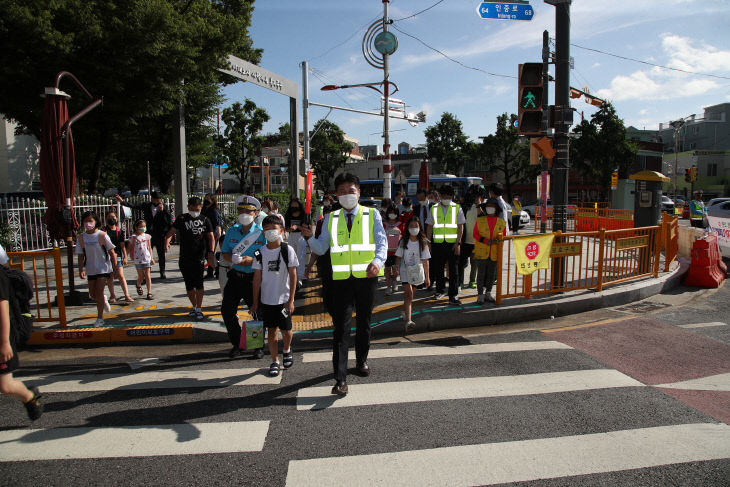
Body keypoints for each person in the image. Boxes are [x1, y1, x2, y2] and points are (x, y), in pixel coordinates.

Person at [302, 173, 387, 396]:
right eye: (342, 191)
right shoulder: (331, 218)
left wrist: (378, 262)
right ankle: (340, 379)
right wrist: (310, 237)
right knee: (341, 329)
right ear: (336, 195)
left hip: (366, 278)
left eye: (351, 190)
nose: (347, 195)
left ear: (359, 193)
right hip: (340, 281)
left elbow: (382, 242)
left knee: (364, 323)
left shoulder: (372, 214)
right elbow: (321, 249)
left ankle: (361, 361)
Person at [250, 215, 299, 377]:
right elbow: (256, 279)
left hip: (284, 301)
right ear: (263, 231)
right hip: (266, 301)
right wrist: (255, 303)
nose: (271, 232)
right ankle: (275, 361)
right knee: (271, 332)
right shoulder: (259, 252)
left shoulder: (287, 250)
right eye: (267, 229)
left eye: (274, 229)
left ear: (282, 231)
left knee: (287, 330)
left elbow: (293, 276)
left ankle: (286, 350)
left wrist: (291, 300)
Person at [220, 196, 267, 359]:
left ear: (255, 214)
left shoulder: (261, 233)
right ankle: (238, 343)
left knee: (256, 312)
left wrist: (252, 259)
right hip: (234, 277)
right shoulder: (232, 231)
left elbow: (264, 253)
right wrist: (230, 258)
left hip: (253, 278)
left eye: (248, 211)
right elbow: (225, 251)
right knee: (227, 311)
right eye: (241, 210)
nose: (244, 213)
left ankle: (257, 346)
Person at [0, 261, 43, 421]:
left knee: (5, 386)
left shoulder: (0, 276)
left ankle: (29, 396)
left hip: (2, 336)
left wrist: (4, 342)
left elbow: (2, 308)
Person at [164, 196, 214, 321]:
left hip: (199, 256)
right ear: (188, 207)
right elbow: (171, 232)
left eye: (197, 209)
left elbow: (211, 237)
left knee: (199, 283)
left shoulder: (205, 219)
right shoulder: (182, 218)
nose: (194, 211)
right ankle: (194, 306)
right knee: (189, 284)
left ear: (200, 208)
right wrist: (167, 241)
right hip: (185, 256)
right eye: (192, 209)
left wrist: (211, 252)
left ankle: (199, 308)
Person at [115, 191, 172, 279]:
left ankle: (162, 271)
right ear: (152, 199)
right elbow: (135, 206)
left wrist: (163, 211)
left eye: (159, 199)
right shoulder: (147, 205)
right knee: (147, 253)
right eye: (156, 199)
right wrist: (122, 202)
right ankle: (147, 272)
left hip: (160, 234)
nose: (158, 201)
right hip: (148, 233)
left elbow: (168, 220)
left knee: (161, 254)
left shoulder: (165, 207)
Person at [76, 211, 117, 327]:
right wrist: (80, 269)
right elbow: (80, 256)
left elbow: (112, 252)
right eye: (85, 221)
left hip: (103, 268)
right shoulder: (81, 238)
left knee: (98, 291)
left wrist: (115, 269)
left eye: (90, 221)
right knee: (93, 294)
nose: (88, 223)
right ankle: (103, 299)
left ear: (96, 222)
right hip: (91, 268)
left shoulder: (102, 235)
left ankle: (100, 318)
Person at [426, 185, 465, 304]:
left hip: (452, 244)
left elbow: (460, 226)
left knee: (454, 271)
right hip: (437, 244)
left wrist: (458, 242)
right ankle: (440, 290)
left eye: (450, 197)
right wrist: (428, 243)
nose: (448, 198)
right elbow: (430, 226)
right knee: (438, 269)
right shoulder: (434, 208)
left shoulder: (457, 208)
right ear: (440, 196)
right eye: (445, 196)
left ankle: (453, 295)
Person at [394, 217, 431, 332]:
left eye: (416, 226)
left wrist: (427, 278)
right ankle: (408, 321)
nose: (414, 228)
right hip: (405, 271)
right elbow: (398, 257)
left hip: (417, 273)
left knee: (409, 295)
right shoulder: (403, 241)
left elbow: (425, 261)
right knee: (409, 293)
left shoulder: (423, 242)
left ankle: (404, 311)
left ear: (420, 228)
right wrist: (396, 268)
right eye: (411, 226)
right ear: (407, 228)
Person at [473, 198, 506, 304]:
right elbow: (475, 234)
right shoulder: (480, 220)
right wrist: (486, 241)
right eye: (488, 206)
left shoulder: (502, 222)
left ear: (496, 209)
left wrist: (497, 241)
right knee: (481, 274)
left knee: (491, 274)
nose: (489, 208)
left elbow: (503, 236)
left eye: (492, 206)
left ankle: (488, 293)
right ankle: (480, 295)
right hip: (482, 251)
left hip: (494, 253)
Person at [104, 211, 134, 303]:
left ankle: (126, 295)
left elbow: (122, 245)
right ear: (106, 219)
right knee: (110, 276)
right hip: (107, 256)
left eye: (113, 217)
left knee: (121, 275)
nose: (111, 218)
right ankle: (112, 295)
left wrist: (125, 256)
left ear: (116, 219)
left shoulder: (119, 231)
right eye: (109, 217)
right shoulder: (103, 231)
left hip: (118, 256)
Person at [459, 190, 481, 290]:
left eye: (478, 198)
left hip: (476, 241)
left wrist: (479, 206)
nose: (476, 199)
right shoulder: (464, 208)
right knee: (462, 263)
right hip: (465, 241)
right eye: (475, 197)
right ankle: (460, 281)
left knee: (474, 263)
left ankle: (472, 281)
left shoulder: (480, 209)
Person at [128, 219, 154, 300]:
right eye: (141, 227)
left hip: (146, 257)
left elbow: (149, 247)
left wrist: (152, 258)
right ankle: (138, 285)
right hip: (137, 259)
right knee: (141, 276)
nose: (143, 228)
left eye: (144, 226)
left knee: (148, 275)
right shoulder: (133, 237)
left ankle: (149, 293)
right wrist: (126, 256)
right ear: (136, 227)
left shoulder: (147, 236)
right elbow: (130, 247)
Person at [284, 198, 307, 285]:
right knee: (291, 256)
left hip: (301, 236)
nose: (294, 206)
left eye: (295, 204)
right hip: (291, 236)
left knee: (300, 256)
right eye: (292, 205)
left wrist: (297, 226)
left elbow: (306, 228)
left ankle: (300, 276)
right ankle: (292, 276)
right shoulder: (288, 214)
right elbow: (286, 228)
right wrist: (289, 229)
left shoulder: (303, 214)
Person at [383, 204, 403, 296]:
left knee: (395, 268)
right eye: (390, 212)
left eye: (394, 213)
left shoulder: (400, 224)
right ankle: (388, 286)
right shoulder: (384, 224)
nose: (392, 214)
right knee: (387, 269)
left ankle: (394, 281)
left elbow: (403, 236)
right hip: (386, 251)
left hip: (397, 251)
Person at [202, 194, 224, 279]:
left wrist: (218, 234)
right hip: (204, 234)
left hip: (213, 235)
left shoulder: (214, 210)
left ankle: (212, 271)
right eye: (205, 199)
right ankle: (214, 269)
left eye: (207, 200)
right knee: (206, 254)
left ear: (212, 201)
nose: (205, 201)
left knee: (210, 253)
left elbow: (218, 224)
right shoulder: (204, 209)